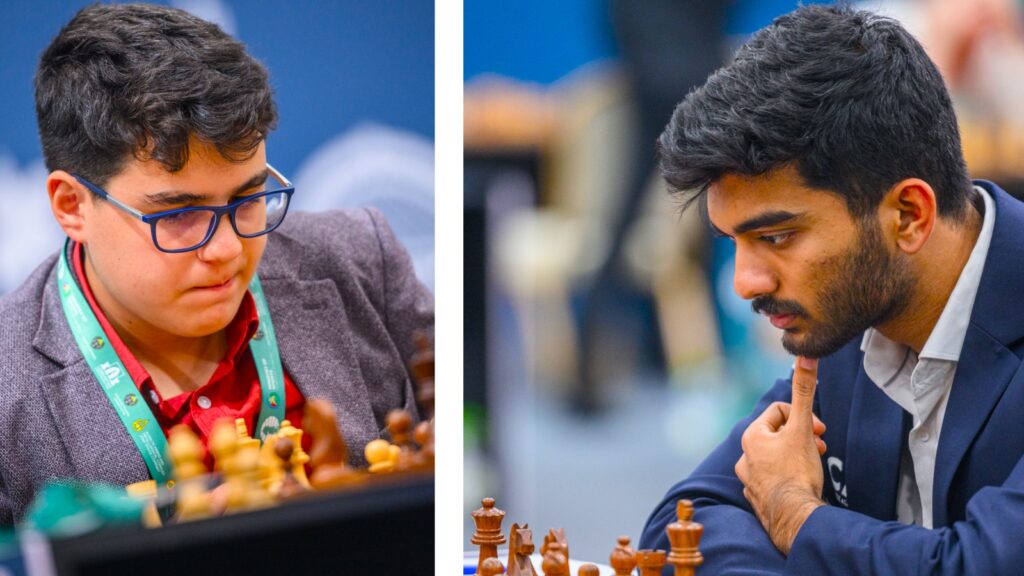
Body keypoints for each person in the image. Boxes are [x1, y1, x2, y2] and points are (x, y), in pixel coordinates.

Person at [0, 4, 432, 525]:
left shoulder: (359, 260)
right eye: (180, 215)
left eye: (248, 199)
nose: (227, 249)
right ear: (72, 206)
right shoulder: (9, 385)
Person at [641, 5, 1024, 574]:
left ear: (910, 214)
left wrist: (796, 516)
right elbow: (680, 526)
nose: (746, 282)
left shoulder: (849, 299)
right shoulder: (850, 317)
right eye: (733, 241)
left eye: (777, 236)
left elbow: (983, 565)